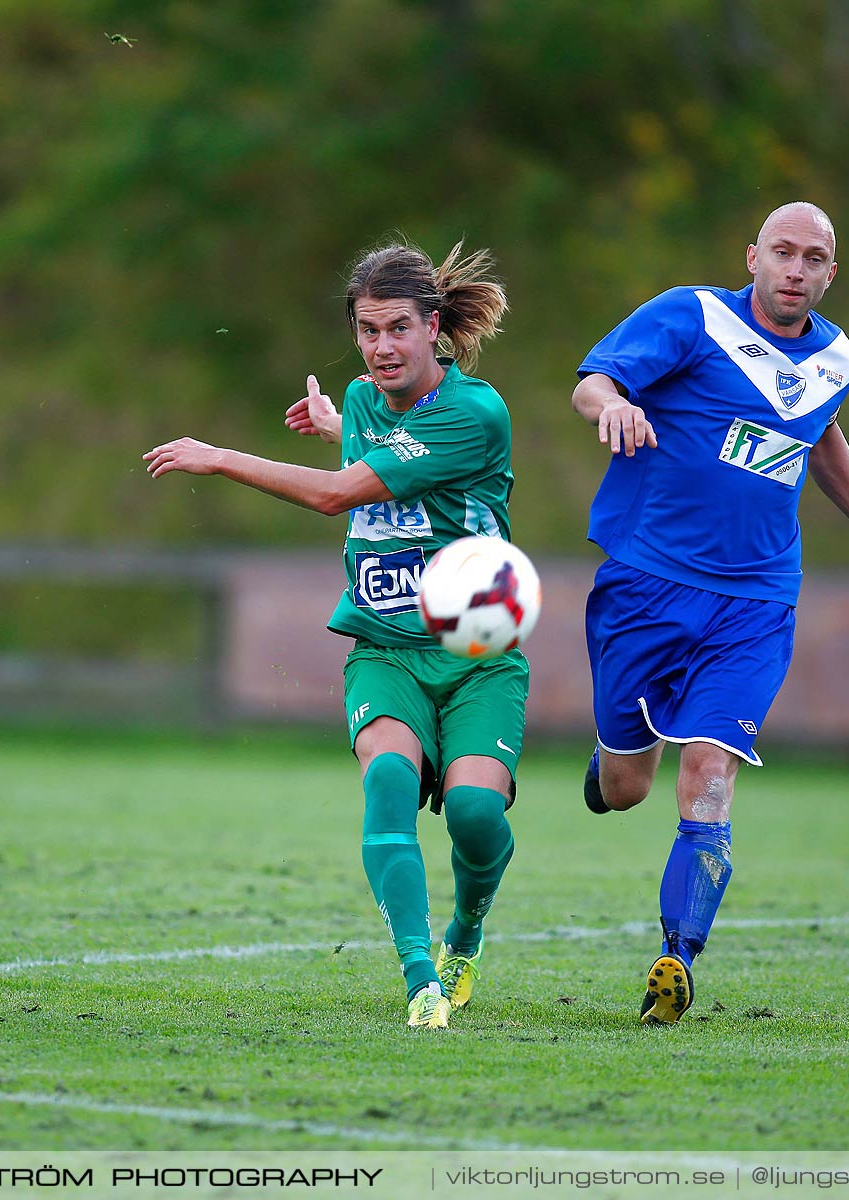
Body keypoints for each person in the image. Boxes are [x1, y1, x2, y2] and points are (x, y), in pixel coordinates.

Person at [146, 239, 520, 1030]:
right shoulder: (359, 402)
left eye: (398, 329)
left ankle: (467, 933)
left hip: (477, 655)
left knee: (476, 820)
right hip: (385, 648)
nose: (382, 347)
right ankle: (421, 981)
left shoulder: (475, 412)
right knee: (386, 782)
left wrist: (219, 457)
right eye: (367, 330)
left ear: (435, 328)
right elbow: (371, 460)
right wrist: (333, 424)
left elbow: (342, 495)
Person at [570, 203, 849, 1025]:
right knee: (626, 788)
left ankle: (675, 961)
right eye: (784, 252)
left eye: (815, 258)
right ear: (753, 256)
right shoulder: (692, 315)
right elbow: (593, 381)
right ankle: (613, 763)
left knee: (710, 769)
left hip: (758, 597)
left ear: (834, 273)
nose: (796, 269)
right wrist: (613, 404)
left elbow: (818, 432)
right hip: (648, 583)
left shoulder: (838, 358)